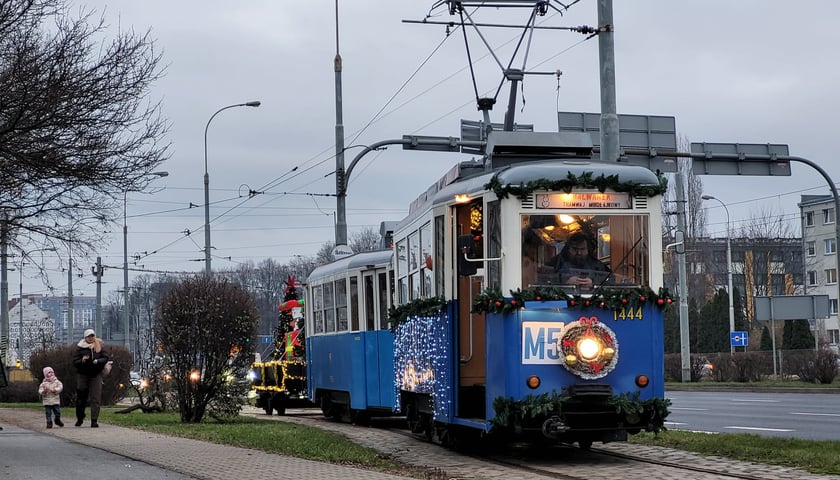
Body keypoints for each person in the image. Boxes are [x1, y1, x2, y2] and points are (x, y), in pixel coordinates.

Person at [72, 328, 110, 428]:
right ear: (85, 337)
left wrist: (98, 361)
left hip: (95, 375)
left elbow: (106, 357)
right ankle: (80, 418)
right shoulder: (80, 348)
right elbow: (75, 362)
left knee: (96, 398)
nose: (91, 338)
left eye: (92, 335)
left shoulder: (99, 345)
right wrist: (82, 361)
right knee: (81, 398)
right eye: (89, 336)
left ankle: (94, 420)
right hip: (83, 375)